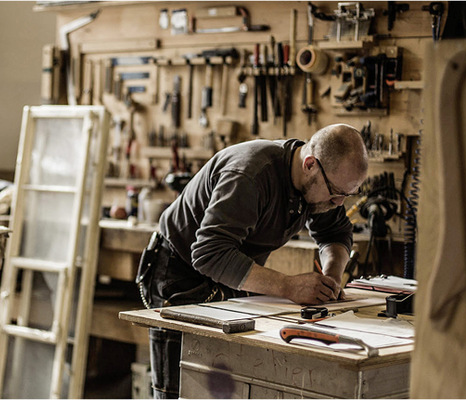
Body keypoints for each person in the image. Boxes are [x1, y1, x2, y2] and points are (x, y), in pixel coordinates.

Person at [136, 123, 368, 398]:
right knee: (180, 390)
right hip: (179, 272)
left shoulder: (318, 187)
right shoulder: (250, 175)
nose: (339, 203)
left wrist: (330, 277)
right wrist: (288, 286)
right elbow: (209, 253)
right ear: (310, 165)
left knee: (223, 387)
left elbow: (335, 232)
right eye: (335, 192)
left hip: (228, 274)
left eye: (347, 195)